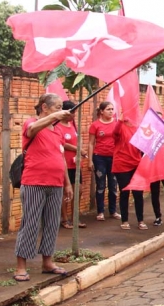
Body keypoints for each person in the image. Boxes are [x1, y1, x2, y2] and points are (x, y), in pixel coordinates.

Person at [13, 94, 74, 282]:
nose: (60, 110)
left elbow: (60, 155)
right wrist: (56, 116)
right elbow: (31, 130)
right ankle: (21, 267)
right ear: (44, 108)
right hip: (34, 182)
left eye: (61, 107)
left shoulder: (56, 131)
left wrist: (67, 183)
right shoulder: (32, 123)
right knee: (30, 223)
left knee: (51, 224)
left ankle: (47, 262)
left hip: (55, 183)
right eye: (56, 107)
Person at [112, 117, 145, 230]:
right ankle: (125, 220)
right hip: (122, 164)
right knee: (124, 192)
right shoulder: (120, 125)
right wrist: (120, 121)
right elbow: (115, 133)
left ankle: (140, 220)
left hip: (136, 164)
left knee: (138, 193)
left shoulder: (138, 128)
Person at [88, 101, 119, 221]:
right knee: (101, 184)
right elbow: (91, 143)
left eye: (112, 109)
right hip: (99, 157)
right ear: (101, 111)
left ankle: (113, 211)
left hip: (114, 158)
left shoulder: (116, 124)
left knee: (113, 185)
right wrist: (90, 160)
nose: (111, 111)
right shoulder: (95, 125)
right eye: (108, 109)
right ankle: (100, 211)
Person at [58, 100, 87, 229]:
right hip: (65, 164)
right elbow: (61, 143)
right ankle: (64, 219)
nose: (74, 115)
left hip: (75, 164)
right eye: (72, 112)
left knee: (78, 191)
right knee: (66, 193)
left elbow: (77, 140)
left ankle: (75, 218)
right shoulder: (58, 126)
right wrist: (77, 149)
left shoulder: (72, 125)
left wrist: (80, 152)